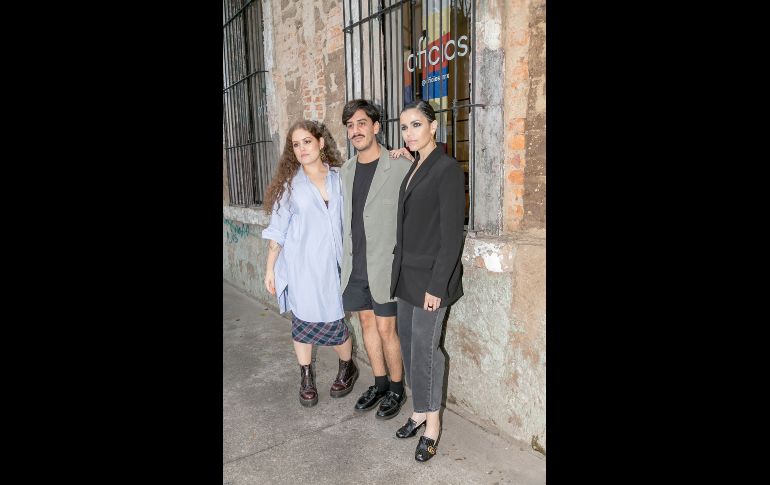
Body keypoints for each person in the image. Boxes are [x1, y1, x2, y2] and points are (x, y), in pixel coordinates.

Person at [262, 120, 358, 407]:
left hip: (336, 266)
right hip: (302, 266)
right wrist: (270, 269)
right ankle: (306, 376)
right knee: (302, 322)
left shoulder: (340, 178)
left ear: (321, 143)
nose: (302, 148)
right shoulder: (290, 186)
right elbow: (277, 230)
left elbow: (371, 175)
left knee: (336, 322)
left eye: (307, 141)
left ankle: (347, 366)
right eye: (295, 144)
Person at [389, 100, 465, 462]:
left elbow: (452, 237)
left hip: (431, 281)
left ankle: (432, 426)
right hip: (406, 274)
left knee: (425, 351)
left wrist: (437, 287)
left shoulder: (447, 169)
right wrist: (407, 159)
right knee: (407, 344)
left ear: (434, 127)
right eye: (404, 127)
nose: (409, 133)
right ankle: (419, 411)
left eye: (416, 125)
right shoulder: (416, 165)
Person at [340, 99, 412, 419]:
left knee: (387, 329)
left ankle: (397, 389)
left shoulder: (397, 164)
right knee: (367, 323)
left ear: (376, 127)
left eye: (361, 123)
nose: (355, 130)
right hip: (356, 264)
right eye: (350, 126)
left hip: (385, 264)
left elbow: (423, 194)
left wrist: (415, 156)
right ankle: (380, 383)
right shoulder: (346, 171)